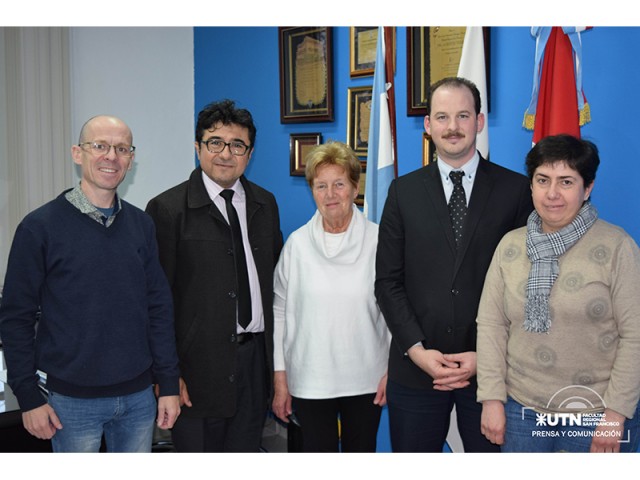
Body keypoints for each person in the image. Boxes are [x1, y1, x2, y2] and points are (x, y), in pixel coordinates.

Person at [0, 115, 181, 452]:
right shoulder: (39, 228)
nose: (111, 156)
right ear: (77, 153)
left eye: (122, 148)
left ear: (131, 159)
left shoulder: (142, 225)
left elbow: (159, 308)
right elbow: (15, 317)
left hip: (139, 397)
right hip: (70, 402)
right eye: (99, 146)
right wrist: (26, 396)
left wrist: (168, 383)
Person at [375, 77, 534, 452]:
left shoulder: (516, 191)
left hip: (492, 374)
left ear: (479, 121)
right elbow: (387, 282)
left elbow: (527, 286)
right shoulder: (403, 191)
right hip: (416, 372)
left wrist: (486, 356)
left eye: (463, 115)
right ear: (428, 126)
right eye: (442, 117)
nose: (453, 127)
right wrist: (417, 351)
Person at [477, 134, 640, 453]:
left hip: (596, 416)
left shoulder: (617, 247)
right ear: (531, 185)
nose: (552, 193)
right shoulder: (510, 246)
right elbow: (492, 326)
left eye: (566, 181)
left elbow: (635, 336)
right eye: (543, 180)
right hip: (522, 412)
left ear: (587, 187)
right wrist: (492, 398)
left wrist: (615, 414)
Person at [145, 99, 283, 452]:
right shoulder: (168, 209)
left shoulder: (265, 204)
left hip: (254, 365)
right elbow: (155, 304)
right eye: (215, 142)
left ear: (249, 154)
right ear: (197, 148)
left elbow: (276, 289)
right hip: (195, 370)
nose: (226, 153)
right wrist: (168, 376)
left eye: (237, 145)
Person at [271, 141, 390, 452]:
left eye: (339, 184)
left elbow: (396, 310)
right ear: (312, 190)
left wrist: (393, 369)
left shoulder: (380, 242)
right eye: (321, 185)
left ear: (354, 187)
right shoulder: (296, 246)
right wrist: (280, 378)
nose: (330, 194)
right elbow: (280, 313)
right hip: (310, 380)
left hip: (367, 378)